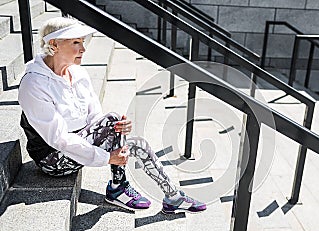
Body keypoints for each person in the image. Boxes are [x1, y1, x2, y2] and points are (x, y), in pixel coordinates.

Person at [18, 17, 206, 214]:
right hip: (52, 159)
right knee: (113, 120)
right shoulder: (34, 84)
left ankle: (173, 196)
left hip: (77, 144)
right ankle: (118, 188)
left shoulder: (79, 74)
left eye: (83, 42)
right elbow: (59, 139)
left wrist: (118, 132)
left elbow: (96, 120)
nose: (83, 49)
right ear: (54, 44)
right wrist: (107, 157)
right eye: (75, 42)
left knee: (135, 141)